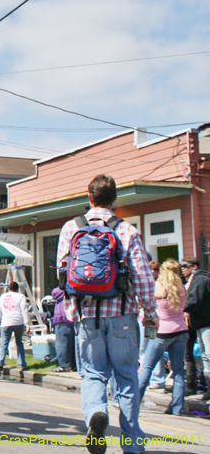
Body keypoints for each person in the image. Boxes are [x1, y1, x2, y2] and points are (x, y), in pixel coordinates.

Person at [58, 174, 157, 454]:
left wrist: (73, 312)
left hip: (87, 315)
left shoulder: (71, 228)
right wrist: (150, 313)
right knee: (126, 376)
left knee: (92, 373)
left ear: (89, 197)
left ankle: (95, 416)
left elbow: (63, 274)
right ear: (114, 199)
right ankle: (132, 442)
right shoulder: (126, 230)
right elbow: (142, 278)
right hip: (122, 315)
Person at [138, 259, 188, 415]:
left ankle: (133, 402)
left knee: (147, 367)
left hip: (161, 332)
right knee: (178, 370)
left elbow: (145, 303)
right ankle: (177, 407)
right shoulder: (181, 288)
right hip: (181, 331)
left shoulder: (159, 287)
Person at [183, 256, 210, 400]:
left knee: (208, 355)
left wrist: (180, 306)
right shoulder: (194, 280)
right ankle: (208, 389)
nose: (183, 269)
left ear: (194, 266)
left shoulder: (199, 279)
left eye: (185, 265)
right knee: (205, 355)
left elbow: (195, 300)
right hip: (200, 322)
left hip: (205, 322)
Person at [0, 281, 30, 376]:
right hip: (18, 322)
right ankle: (22, 363)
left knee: (3, 344)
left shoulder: (3, 296)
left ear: (9, 288)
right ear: (17, 289)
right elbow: (24, 310)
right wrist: (27, 324)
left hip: (5, 322)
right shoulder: (21, 297)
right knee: (19, 343)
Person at [50, 286, 76, 372]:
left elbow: (54, 294)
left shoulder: (62, 288)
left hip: (62, 316)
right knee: (74, 343)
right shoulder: (76, 285)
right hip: (74, 316)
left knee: (62, 343)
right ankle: (74, 364)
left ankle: (64, 365)